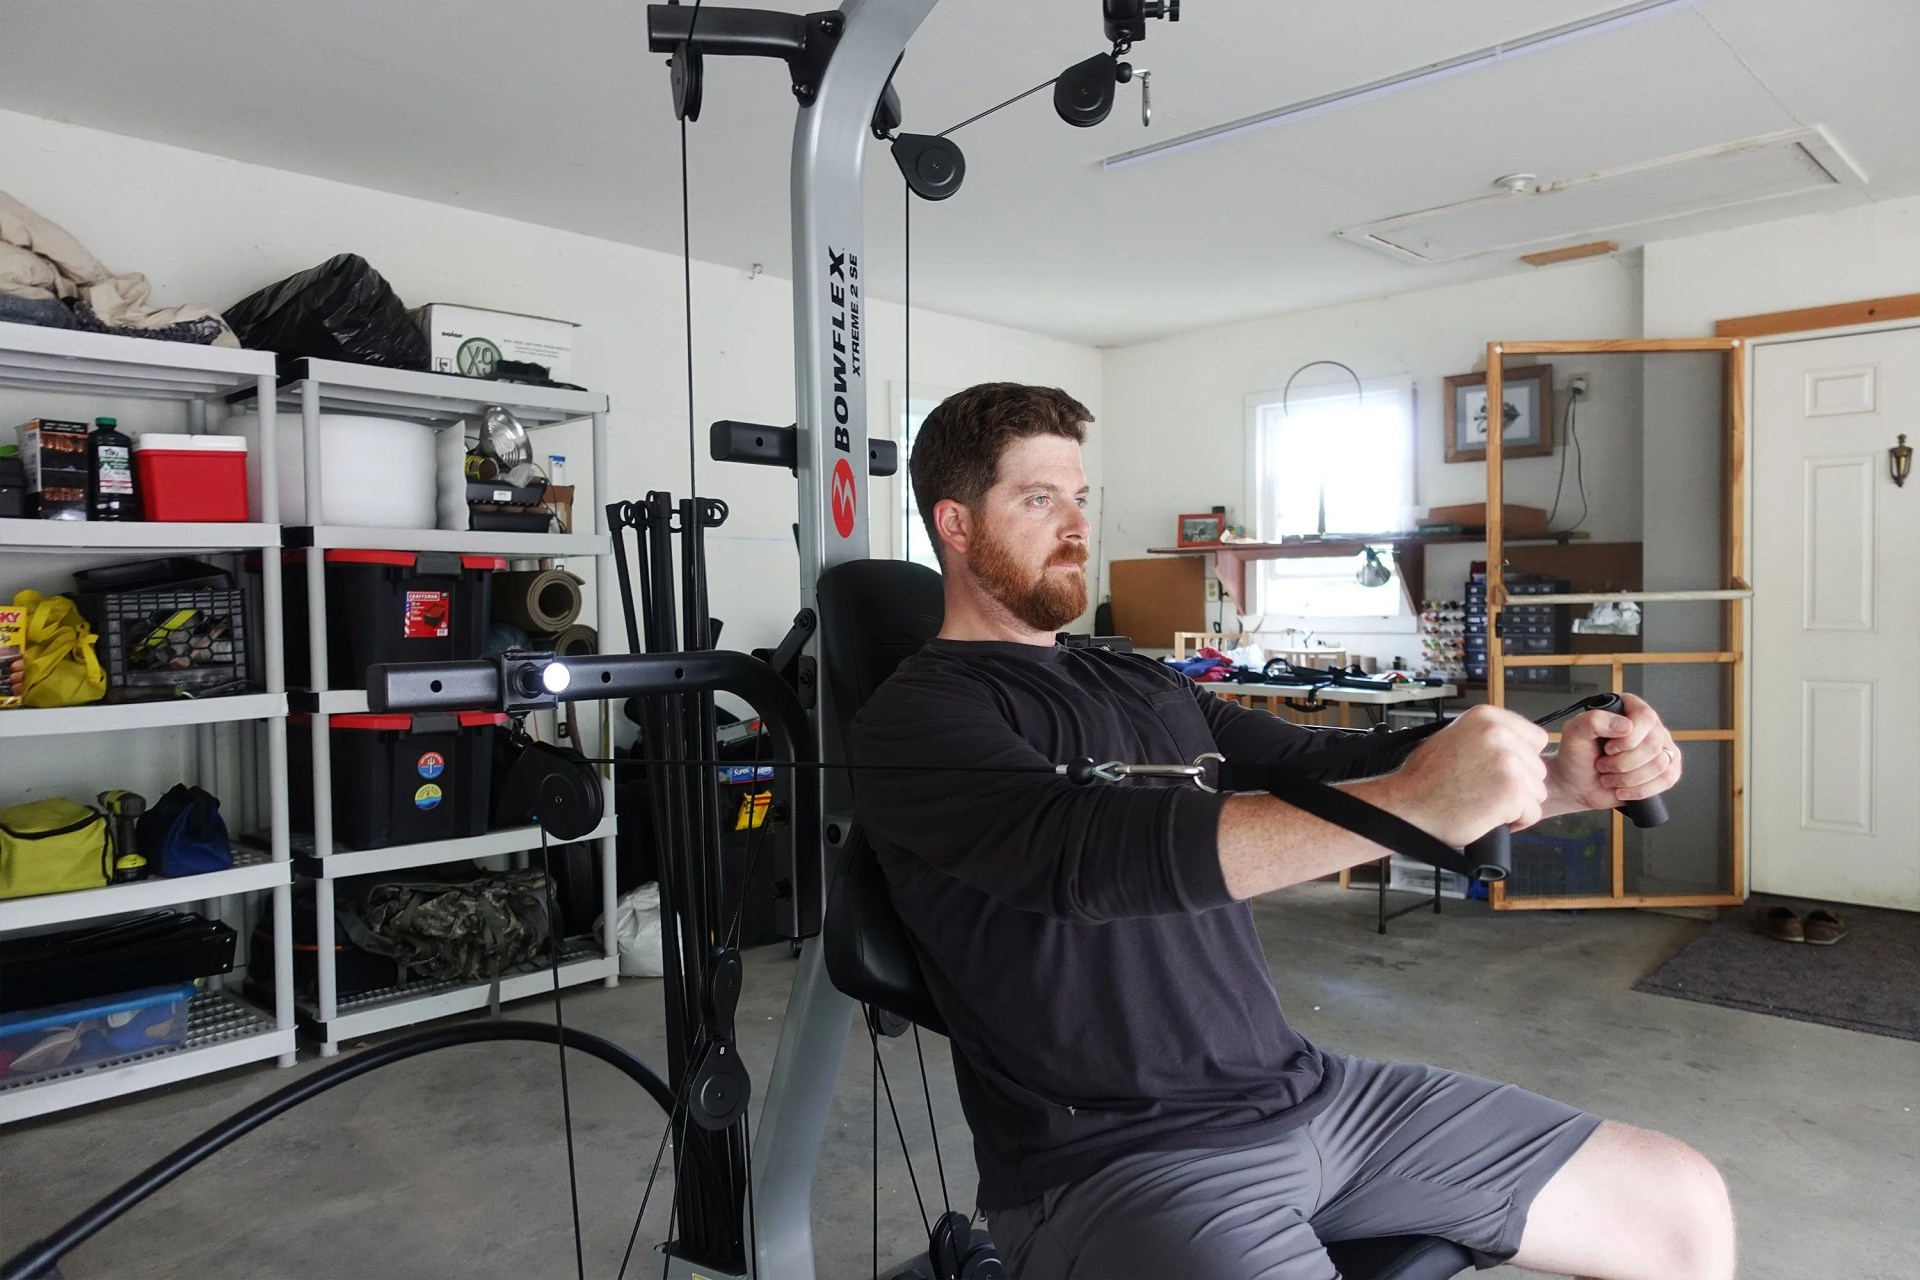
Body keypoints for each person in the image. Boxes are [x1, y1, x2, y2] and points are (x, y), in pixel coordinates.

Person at [850, 383, 1734, 1280]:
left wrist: (1555, 774)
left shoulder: (1140, 681)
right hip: (1121, 1159)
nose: (1076, 525)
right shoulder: (918, 717)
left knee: (1678, 1202)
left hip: (1314, 1095)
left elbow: (1320, 763)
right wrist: (1418, 804)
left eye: (1081, 498)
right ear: (956, 525)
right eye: (1039, 500)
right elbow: (1080, 859)